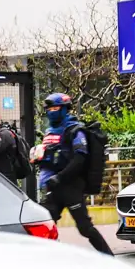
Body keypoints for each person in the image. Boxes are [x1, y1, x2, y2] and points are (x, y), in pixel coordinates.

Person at [31, 93, 114, 256]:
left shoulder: (75, 130)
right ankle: (45, 259)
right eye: (49, 108)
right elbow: (52, 155)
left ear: (64, 109)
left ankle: (110, 259)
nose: (51, 111)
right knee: (46, 223)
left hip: (71, 187)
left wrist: (60, 177)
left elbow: (79, 159)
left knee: (85, 228)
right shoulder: (49, 131)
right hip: (53, 187)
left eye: (55, 108)